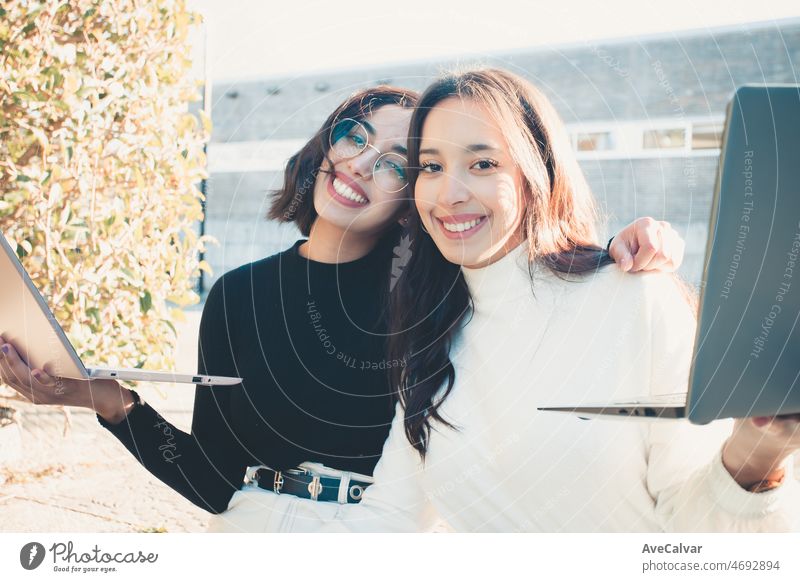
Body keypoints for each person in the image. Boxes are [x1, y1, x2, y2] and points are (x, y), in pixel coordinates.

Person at [0, 82, 685, 531]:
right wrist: (105, 402)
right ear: (327, 140)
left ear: (411, 198)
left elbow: (526, 273)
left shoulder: (435, 298)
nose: (360, 164)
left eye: (395, 162)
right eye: (356, 136)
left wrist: (631, 243)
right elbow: (212, 480)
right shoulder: (235, 297)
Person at [198, 68, 800, 533]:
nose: (450, 192)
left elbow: (695, 529)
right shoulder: (426, 345)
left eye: (482, 163)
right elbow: (389, 523)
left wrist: (761, 449)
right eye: (430, 167)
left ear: (537, 172)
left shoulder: (630, 296)